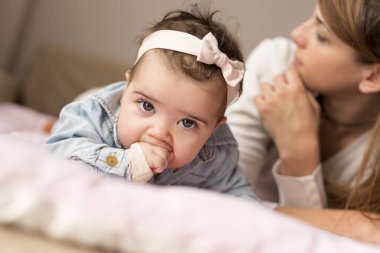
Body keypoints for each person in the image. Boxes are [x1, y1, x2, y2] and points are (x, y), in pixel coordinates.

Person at [45, 6, 258, 202]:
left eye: (187, 123)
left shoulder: (217, 151)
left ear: (213, 129)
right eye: (147, 106)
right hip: (95, 105)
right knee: (65, 125)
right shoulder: (96, 116)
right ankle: (55, 122)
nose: (159, 132)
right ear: (127, 87)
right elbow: (59, 153)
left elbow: (236, 193)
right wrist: (129, 163)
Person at [226, 0, 380, 208]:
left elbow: (315, 235)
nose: (296, 34)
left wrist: (299, 158)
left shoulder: (371, 158)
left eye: (321, 36)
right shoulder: (276, 62)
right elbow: (224, 190)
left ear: (373, 77)